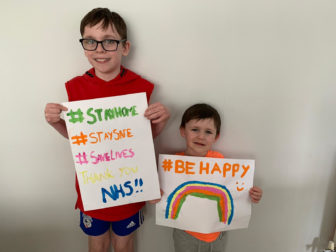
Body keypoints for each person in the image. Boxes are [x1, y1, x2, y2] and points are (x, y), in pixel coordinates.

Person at [44, 8, 170, 252]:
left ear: (125, 47)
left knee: (125, 244)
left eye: (109, 41)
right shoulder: (75, 87)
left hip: (130, 188)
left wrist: (162, 121)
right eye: (91, 41)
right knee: (97, 244)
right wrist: (56, 122)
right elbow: (79, 138)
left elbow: (143, 139)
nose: (99, 49)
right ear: (84, 46)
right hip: (93, 188)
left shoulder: (141, 87)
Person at [153, 103, 262, 252]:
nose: (201, 136)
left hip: (216, 234)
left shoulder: (221, 162)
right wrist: (155, 196)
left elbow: (234, 193)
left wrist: (251, 195)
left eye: (208, 132)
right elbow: (158, 197)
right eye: (195, 129)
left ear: (216, 137)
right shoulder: (172, 165)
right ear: (183, 131)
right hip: (185, 233)